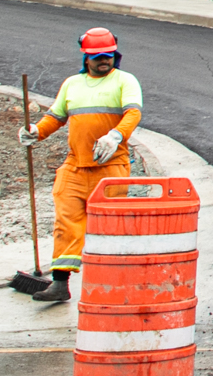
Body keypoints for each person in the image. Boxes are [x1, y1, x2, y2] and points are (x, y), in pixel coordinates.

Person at [9, 28, 143, 303]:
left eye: (109, 55)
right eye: (98, 57)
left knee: (108, 226)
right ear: (86, 58)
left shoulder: (124, 81)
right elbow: (55, 117)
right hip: (75, 166)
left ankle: (111, 285)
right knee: (66, 222)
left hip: (111, 165)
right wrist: (36, 131)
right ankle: (60, 283)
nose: (104, 60)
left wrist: (115, 135)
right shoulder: (72, 84)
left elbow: (133, 113)